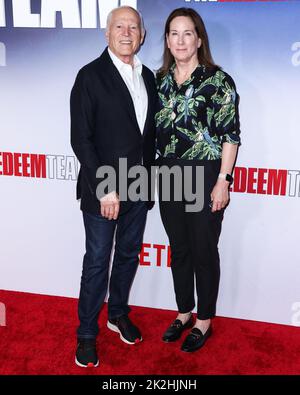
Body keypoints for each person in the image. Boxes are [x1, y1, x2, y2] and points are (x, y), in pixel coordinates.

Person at [70, 6, 156, 367]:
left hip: (140, 185)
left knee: (127, 255)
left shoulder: (148, 76)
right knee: (97, 263)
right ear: (106, 34)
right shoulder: (89, 76)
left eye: (133, 27)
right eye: (119, 26)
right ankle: (87, 335)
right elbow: (81, 140)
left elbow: (146, 136)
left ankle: (117, 312)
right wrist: (106, 187)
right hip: (104, 189)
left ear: (141, 35)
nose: (126, 32)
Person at [155, 8, 241, 352]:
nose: (180, 40)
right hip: (168, 173)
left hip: (205, 174)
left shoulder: (218, 81)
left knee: (204, 249)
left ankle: (204, 320)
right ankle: (183, 312)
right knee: (180, 249)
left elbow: (231, 136)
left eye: (187, 33)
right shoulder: (158, 81)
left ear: (199, 39)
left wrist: (223, 179)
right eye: (174, 33)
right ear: (166, 40)